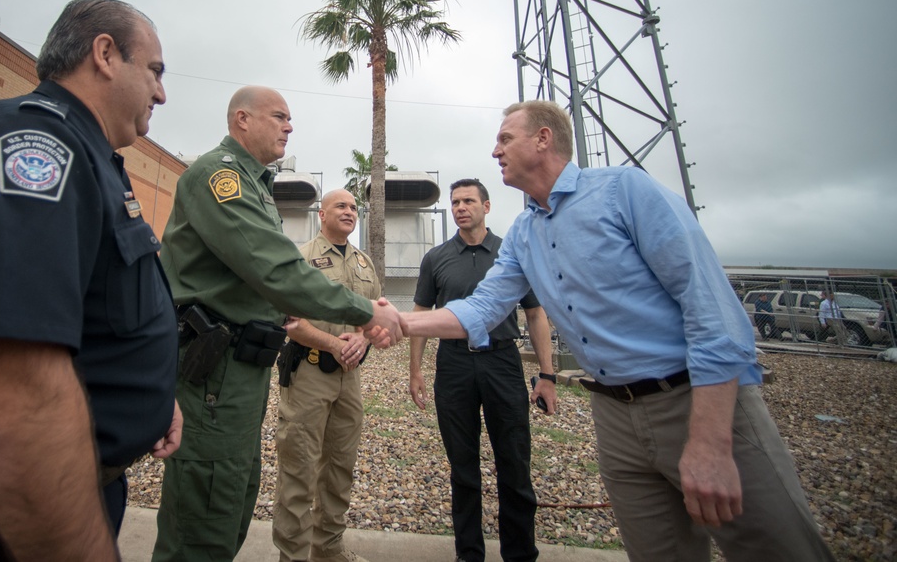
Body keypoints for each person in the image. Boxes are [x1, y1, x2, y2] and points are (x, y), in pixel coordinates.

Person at [384, 101, 835, 562]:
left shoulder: (624, 191)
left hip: (694, 401)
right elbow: (482, 308)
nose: (495, 150)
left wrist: (710, 440)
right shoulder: (524, 234)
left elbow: (712, 311)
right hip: (614, 414)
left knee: (778, 549)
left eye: (505, 139)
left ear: (543, 138)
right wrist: (400, 321)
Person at [0, 0, 182, 561]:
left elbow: (93, 313)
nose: (161, 94)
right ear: (105, 54)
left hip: (70, 482)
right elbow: (12, 388)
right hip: (4, 506)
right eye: (154, 71)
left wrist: (148, 396)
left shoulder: (94, 158)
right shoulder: (33, 150)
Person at [151, 86, 403, 561]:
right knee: (205, 513)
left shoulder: (255, 184)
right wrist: (369, 311)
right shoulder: (219, 177)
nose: (290, 126)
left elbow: (265, 279)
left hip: (241, 371)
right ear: (242, 120)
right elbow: (276, 270)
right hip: (214, 373)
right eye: (280, 116)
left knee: (232, 499)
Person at [407, 178, 555, 562]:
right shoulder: (436, 258)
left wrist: (548, 375)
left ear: (486, 206)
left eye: (468, 200)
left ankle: (520, 553)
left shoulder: (511, 253)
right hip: (453, 363)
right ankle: (468, 553)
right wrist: (415, 371)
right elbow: (422, 315)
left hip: (502, 361)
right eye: (455, 202)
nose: (460, 207)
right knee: (463, 466)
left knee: (514, 461)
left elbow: (536, 313)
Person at [272, 189, 380, 562]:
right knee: (298, 471)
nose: (350, 212)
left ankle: (328, 550)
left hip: (349, 380)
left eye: (353, 207)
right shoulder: (301, 258)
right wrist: (333, 344)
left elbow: (375, 317)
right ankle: (293, 556)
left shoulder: (364, 263)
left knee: (339, 470)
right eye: (341, 206)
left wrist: (363, 339)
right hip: (309, 374)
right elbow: (290, 322)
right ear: (322, 214)